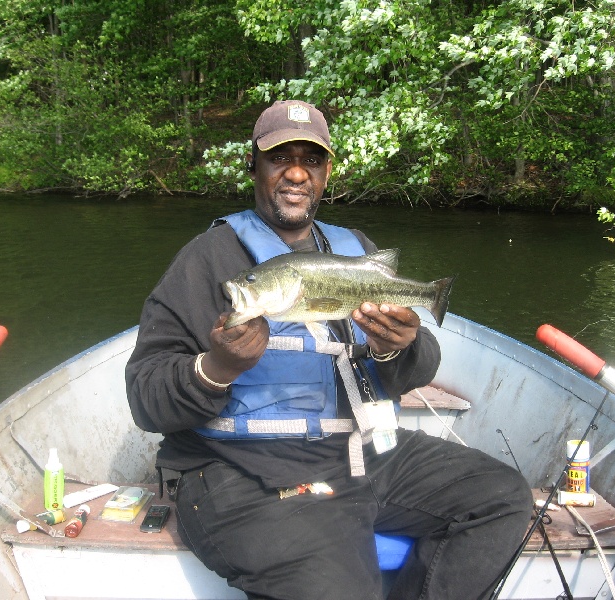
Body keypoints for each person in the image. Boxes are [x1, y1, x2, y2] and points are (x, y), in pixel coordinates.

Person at [126, 100, 532, 600]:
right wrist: (217, 367)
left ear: (327, 173)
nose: (296, 173)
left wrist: (396, 349)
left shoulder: (354, 250)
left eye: (311, 160)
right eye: (280, 158)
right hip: (241, 472)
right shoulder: (206, 261)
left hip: (359, 454)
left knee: (501, 497)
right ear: (252, 164)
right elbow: (145, 396)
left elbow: (416, 366)